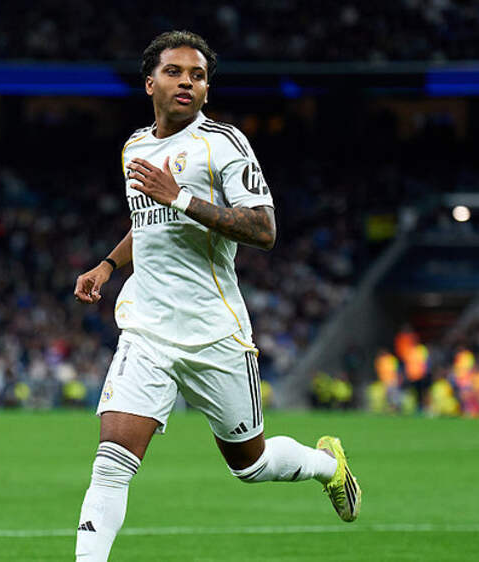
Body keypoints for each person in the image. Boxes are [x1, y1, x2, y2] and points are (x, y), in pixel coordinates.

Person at [72, 30, 361, 561]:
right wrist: (109, 264)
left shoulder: (223, 144)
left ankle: (328, 465)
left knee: (250, 465)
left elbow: (264, 229)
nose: (187, 82)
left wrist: (180, 196)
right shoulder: (136, 146)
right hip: (147, 328)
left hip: (213, 332)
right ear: (149, 83)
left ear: (207, 89)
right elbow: (148, 222)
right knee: (111, 463)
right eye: (175, 72)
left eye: (198, 76)